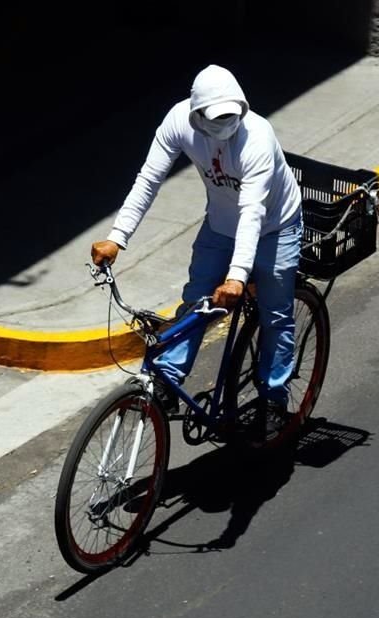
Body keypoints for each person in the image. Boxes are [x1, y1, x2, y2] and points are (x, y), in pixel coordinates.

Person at [91, 63, 303, 439]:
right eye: (216, 117)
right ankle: (168, 382)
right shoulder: (177, 123)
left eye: (231, 114)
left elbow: (252, 211)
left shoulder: (257, 136)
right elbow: (149, 179)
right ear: (196, 114)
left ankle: (274, 397)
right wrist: (117, 237)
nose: (226, 123)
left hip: (274, 227)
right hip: (220, 224)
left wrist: (237, 277)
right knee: (194, 305)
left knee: (276, 315)